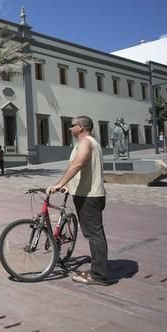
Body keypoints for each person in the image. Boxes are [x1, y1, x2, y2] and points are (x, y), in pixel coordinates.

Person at [47, 115, 109, 286]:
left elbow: (78, 164)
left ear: (81, 127)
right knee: (94, 234)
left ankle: (99, 275)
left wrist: (59, 183)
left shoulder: (86, 143)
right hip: (88, 194)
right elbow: (83, 169)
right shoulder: (90, 142)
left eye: (72, 125)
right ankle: (97, 270)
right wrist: (69, 186)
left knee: (94, 235)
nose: (70, 128)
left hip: (89, 196)